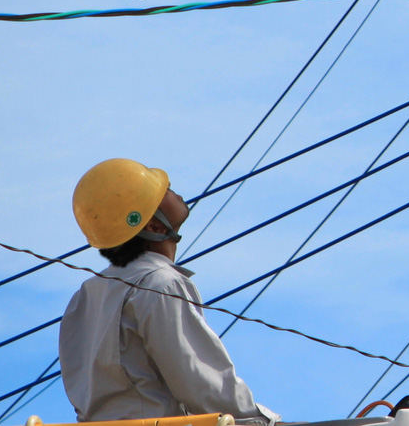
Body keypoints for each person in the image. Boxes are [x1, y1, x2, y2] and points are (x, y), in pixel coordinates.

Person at [60, 158, 277, 423]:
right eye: (162, 193)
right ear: (154, 226)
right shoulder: (161, 284)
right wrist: (264, 421)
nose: (172, 189)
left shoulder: (85, 295)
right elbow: (201, 383)